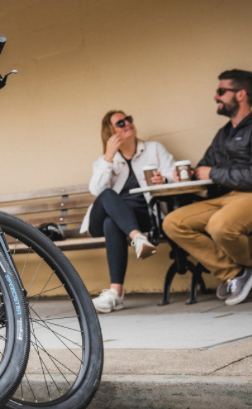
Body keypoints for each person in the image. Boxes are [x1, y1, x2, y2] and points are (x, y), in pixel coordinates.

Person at [163, 70, 252, 306]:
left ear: (241, 94)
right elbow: (205, 166)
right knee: (172, 222)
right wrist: (187, 174)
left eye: (221, 91)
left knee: (219, 225)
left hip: (248, 195)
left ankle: (246, 268)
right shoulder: (223, 134)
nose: (215, 97)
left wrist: (213, 173)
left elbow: (214, 171)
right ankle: (235, 273)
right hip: (223, 198)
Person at [80, 111, 176, 313]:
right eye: (120, 123)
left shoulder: (154, 149)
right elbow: (96, 190)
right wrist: (109, 157)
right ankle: (138, 238)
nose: (127, 124)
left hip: (144, 216)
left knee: (112, 222)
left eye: (128, 119)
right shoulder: (104, 160)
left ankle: (116, 293)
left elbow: (173, 174)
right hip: (101, 220)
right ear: (110, 133)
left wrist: (164, 180)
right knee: (107, 194)